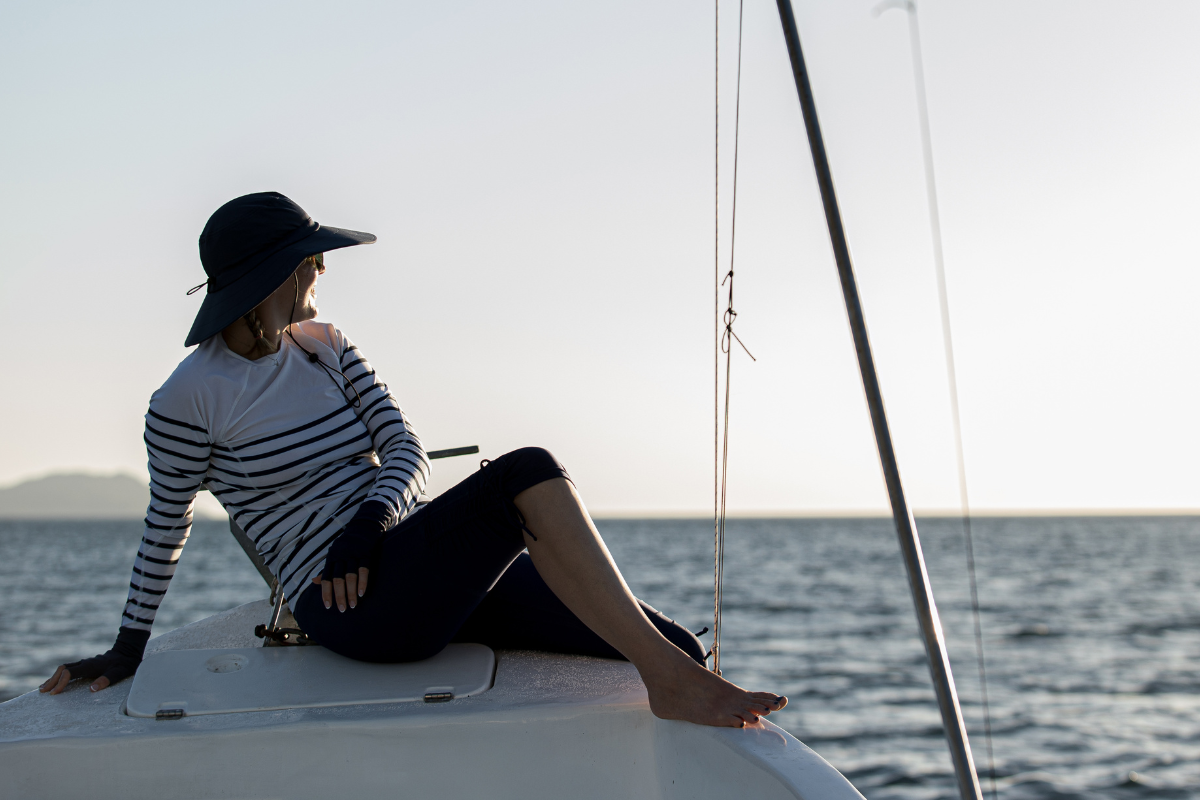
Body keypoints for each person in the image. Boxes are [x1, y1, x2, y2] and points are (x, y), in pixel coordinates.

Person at [40, 192, 786, 728]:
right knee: (526, 470)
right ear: (270, 278)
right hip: (351, 608)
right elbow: (164, 528)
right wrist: (127, 647)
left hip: (409, 559)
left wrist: (369, 521)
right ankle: (671, 687)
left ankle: (671, 677)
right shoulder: (186, 398)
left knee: (676, 644)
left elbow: (403, 448)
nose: (321, 274)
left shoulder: (326, 345)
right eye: (310, 261)